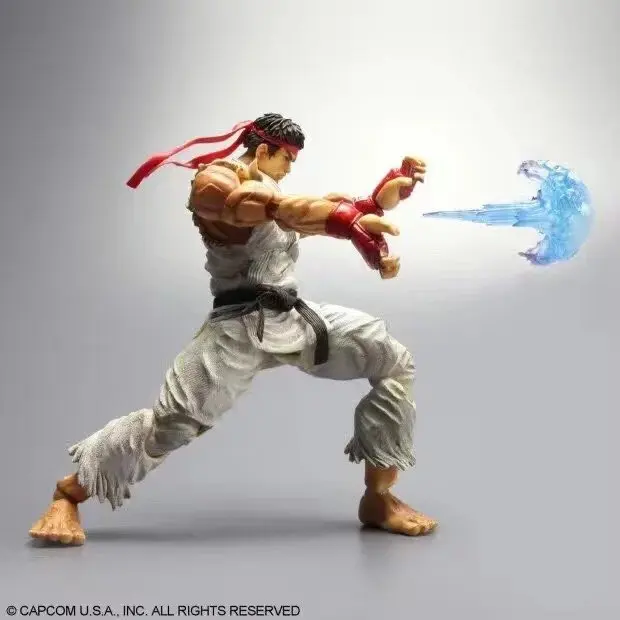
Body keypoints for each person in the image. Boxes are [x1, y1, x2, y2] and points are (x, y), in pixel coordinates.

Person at [29, 113, 437, 545]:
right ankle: (69, 493)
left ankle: (379, 497)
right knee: (172, 426)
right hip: (236, 330)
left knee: (393, 361)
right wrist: (345, 222)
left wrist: (385, 193)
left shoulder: (275, 191)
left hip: (293, 319)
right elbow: (271, 208)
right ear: (264, 151)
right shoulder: (215, 183)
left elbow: (329, 210)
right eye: (287, 159)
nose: (289, 169)